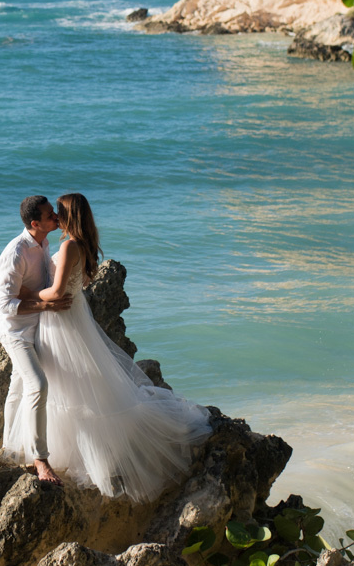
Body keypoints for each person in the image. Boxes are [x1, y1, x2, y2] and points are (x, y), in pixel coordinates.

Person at [24, 192, 213, 501]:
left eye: (59, 212)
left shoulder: (69, 245)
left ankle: (88, 454)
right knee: (73, 385)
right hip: (68, 318)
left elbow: (58, 290)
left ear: (69, 216)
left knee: (70, 386)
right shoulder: (78, 245)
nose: (55, 218)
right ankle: (75, 450)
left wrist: (24, 297)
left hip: (61, 321)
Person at [0, 195, 73, 486]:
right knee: (38, 385)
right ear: (34, 223)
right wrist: (44, 306)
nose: (56, 216)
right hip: (15, 331)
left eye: (55, 212)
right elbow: (4, 304)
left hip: (38, 325)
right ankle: (40, 459)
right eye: (50, 214)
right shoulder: (15, 252)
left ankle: (11, 449)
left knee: (18, 387)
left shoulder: (44, 243)